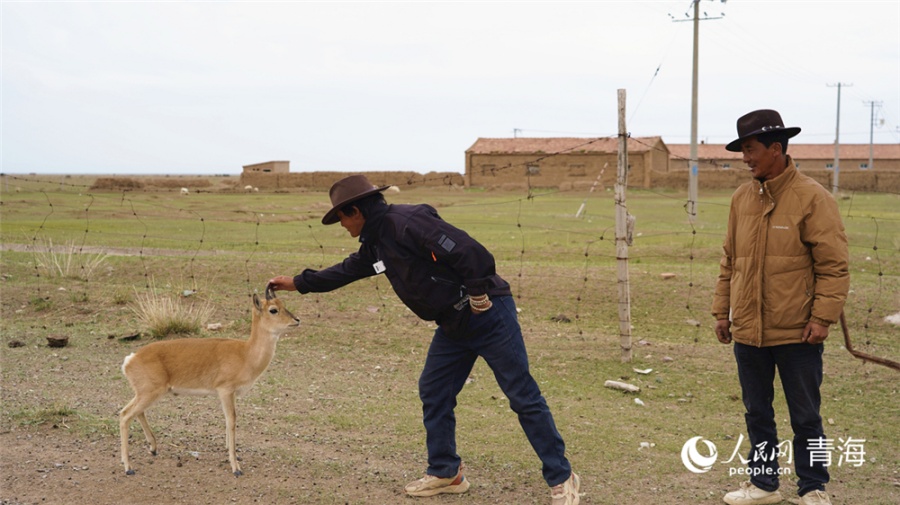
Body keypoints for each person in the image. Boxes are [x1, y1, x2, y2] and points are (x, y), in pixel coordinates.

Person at [267, 175, 580, 505]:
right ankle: (447, 472)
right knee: (434, 390)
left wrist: (477, 294)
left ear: (355, 211)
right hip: (452, 325)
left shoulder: (408, 223)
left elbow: (472, 253)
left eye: (342, 218)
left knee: (522, 395)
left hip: (488, 314)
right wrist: (299, 283)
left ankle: (562, 476)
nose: (342, 226)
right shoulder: (376, 242)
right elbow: (350, 270)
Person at [712, 110, 850, 505]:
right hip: (749, 331)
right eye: (742, 150)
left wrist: (822, 318)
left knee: (806, 416)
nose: (745, 158)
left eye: (750, 149)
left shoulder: (813, 198)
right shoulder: (741, 198)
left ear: (776, 149)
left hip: (797, 332)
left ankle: (814, 488)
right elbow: (729, 260)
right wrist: (722, 311)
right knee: (757, 413)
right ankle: (763, 484)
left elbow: (833, 266)